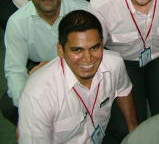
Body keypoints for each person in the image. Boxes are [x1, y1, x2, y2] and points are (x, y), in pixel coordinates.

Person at [18, 10, 137, 143]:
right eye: (77, 50)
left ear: (102, 43)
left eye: (94, 48)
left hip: (100, 134)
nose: (88, 59)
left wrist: (133, 127)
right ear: (60, 50)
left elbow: (123, 90)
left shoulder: (114, 63)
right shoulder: (37, 96)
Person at [1, 0, 88, 126]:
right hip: (41, 72)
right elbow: (15, 71)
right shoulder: (17, 22)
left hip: (80, 68)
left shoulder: (84, 12)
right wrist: (27, 109)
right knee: (9, 105)